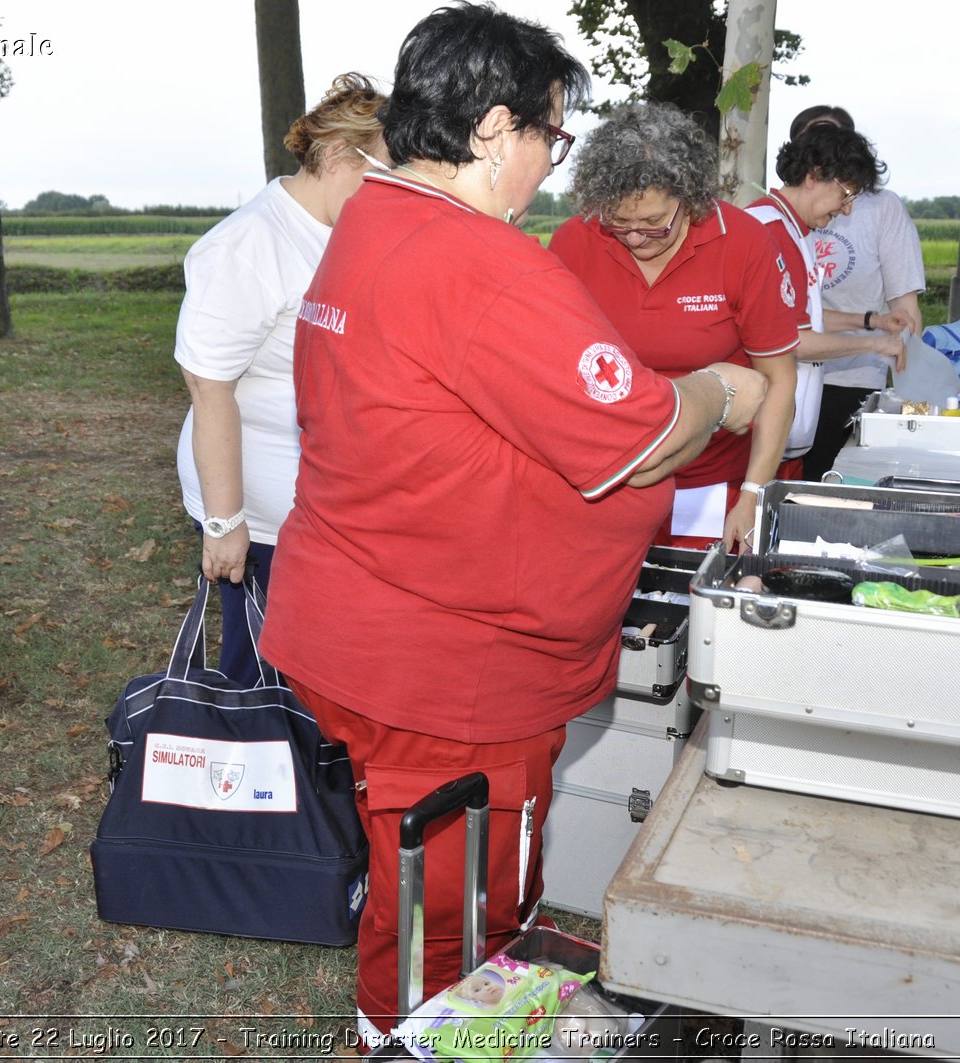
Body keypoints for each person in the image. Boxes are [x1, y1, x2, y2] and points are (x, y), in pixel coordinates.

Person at [257, 3, 767, 1043]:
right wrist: (721, 386)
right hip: (448, 666)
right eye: (550, 134)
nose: (549, 160)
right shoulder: (480, 263)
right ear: (496, 130)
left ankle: (467, 1013)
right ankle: (406, 1032)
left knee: (421, 862)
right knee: (457, 903)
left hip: (349, 615)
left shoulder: (372, 221)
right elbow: (639, 433)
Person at [173, 73, 386, 687]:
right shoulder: (249, 244)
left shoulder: (343, 231)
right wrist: (224, 523)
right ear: (342, 156)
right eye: (389, 170)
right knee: (264, 666)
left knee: (314, 665)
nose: (398, 190)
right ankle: (255, 775)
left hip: (323, 504)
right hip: (261, 511)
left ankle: (301, 773)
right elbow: (208, 388)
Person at [549, 101, 800, 552]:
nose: (635, 237)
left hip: (714, 482)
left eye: (653, 223)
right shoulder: (574, 242)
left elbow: (779, 379)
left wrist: (753, 494)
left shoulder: (742, 243)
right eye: (618, 222)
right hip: (608, 480)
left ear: (689, 198)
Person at [743, 124, 910, 479]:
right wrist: (877, 345)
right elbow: (794, 342)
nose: (846, 210)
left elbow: (802, 317)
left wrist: (871, 320)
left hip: (779, 429)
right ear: (815, 174)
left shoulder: (792, 229)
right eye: (847, 194)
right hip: (755, 433)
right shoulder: (768, 233)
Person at [787, 105, 927, 482]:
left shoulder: (882, 208)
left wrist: (910, 386)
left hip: (854, 381)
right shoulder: (779, 222)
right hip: (791, 380)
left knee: (834, 482)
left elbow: (905, 308)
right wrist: (872, 336)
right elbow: (793, 330)